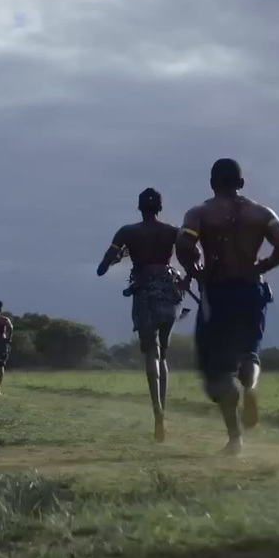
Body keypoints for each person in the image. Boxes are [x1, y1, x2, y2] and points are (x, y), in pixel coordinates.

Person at [177, 158, 279, 456]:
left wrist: (196, 270)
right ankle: (251, 387)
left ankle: (235, 438)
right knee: (249, 353)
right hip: (251, 291)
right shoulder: (262, 213)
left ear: (212, 183)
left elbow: (184, 247)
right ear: (241, 183)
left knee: (217, 370)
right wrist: (262, 265)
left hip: (216, 294)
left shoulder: (200, 213)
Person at [97, 187, 188, 442]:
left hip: (143, 291)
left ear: (139, 207)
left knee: (151, 351)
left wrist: (116, 259)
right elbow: (193, 259)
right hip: (169, 291)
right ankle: (163, 412)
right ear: (159, 208)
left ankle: (157, 412)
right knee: (164, 353)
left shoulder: (127, 232)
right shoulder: (173, 231)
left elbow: (102, 268)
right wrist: (186, 281)